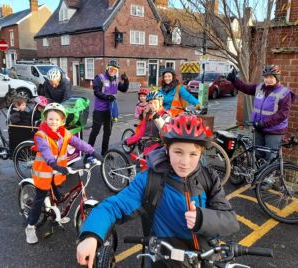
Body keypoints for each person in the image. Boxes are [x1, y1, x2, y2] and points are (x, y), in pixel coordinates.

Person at [76, 114, 240, 267]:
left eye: (193, 154)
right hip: (162, 260)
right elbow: (113, 207)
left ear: (201, 153)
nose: (185, 162)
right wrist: (91, 234)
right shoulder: (149, 180)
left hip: (204, 258)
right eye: (178, 152)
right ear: (167, 149)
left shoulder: (209, 177)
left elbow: (231, 221)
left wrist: (202, 219)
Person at [25, 103, 102, 244]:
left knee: (60, 194)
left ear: (62, 121)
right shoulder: (41, 135)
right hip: (44, 172)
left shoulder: (64, 133)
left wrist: (93, 151)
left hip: (58, 172)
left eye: (56, 119)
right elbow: (45, 150)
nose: (53, 122)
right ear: (45, 119)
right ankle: (30, 226)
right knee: (39, 200)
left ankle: (57, 213)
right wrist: (53, 163)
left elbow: (79, 143)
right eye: (50, 119)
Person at [226, 65, 295, 162]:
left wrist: (264, 122)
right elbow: (245, 88)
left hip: (274, 131)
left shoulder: (284, 93)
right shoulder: (259, 88)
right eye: (266, 77)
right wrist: (234, 80)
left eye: (271, 77)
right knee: (257, 154)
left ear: (277, 78)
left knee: (270, 157)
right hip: (259, 127)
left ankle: (269, 177)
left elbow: (282, 114)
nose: (268, 80)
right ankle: (259, 176)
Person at [87, 59, 129, 156]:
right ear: (107, 68)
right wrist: (107, 97)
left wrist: (126, 80)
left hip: (110, 111)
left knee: (107, 133)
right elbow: (96, 92)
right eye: (111, 69)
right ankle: (88, 154)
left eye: (115, 69)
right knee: (95, 132)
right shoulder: (100, 78)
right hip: (99, 110)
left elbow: (124, 89)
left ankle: (104, 153)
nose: (113, 71)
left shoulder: (116, 79)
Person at [125, 91, 170, 156]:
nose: (153, 105)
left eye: (155, 102)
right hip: (147, 148)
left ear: (161, 103)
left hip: (160, 151)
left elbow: (167, 136)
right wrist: (128, 141)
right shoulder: (148, 116)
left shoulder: (166, 116)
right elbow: (140, 133)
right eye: (150, 103)